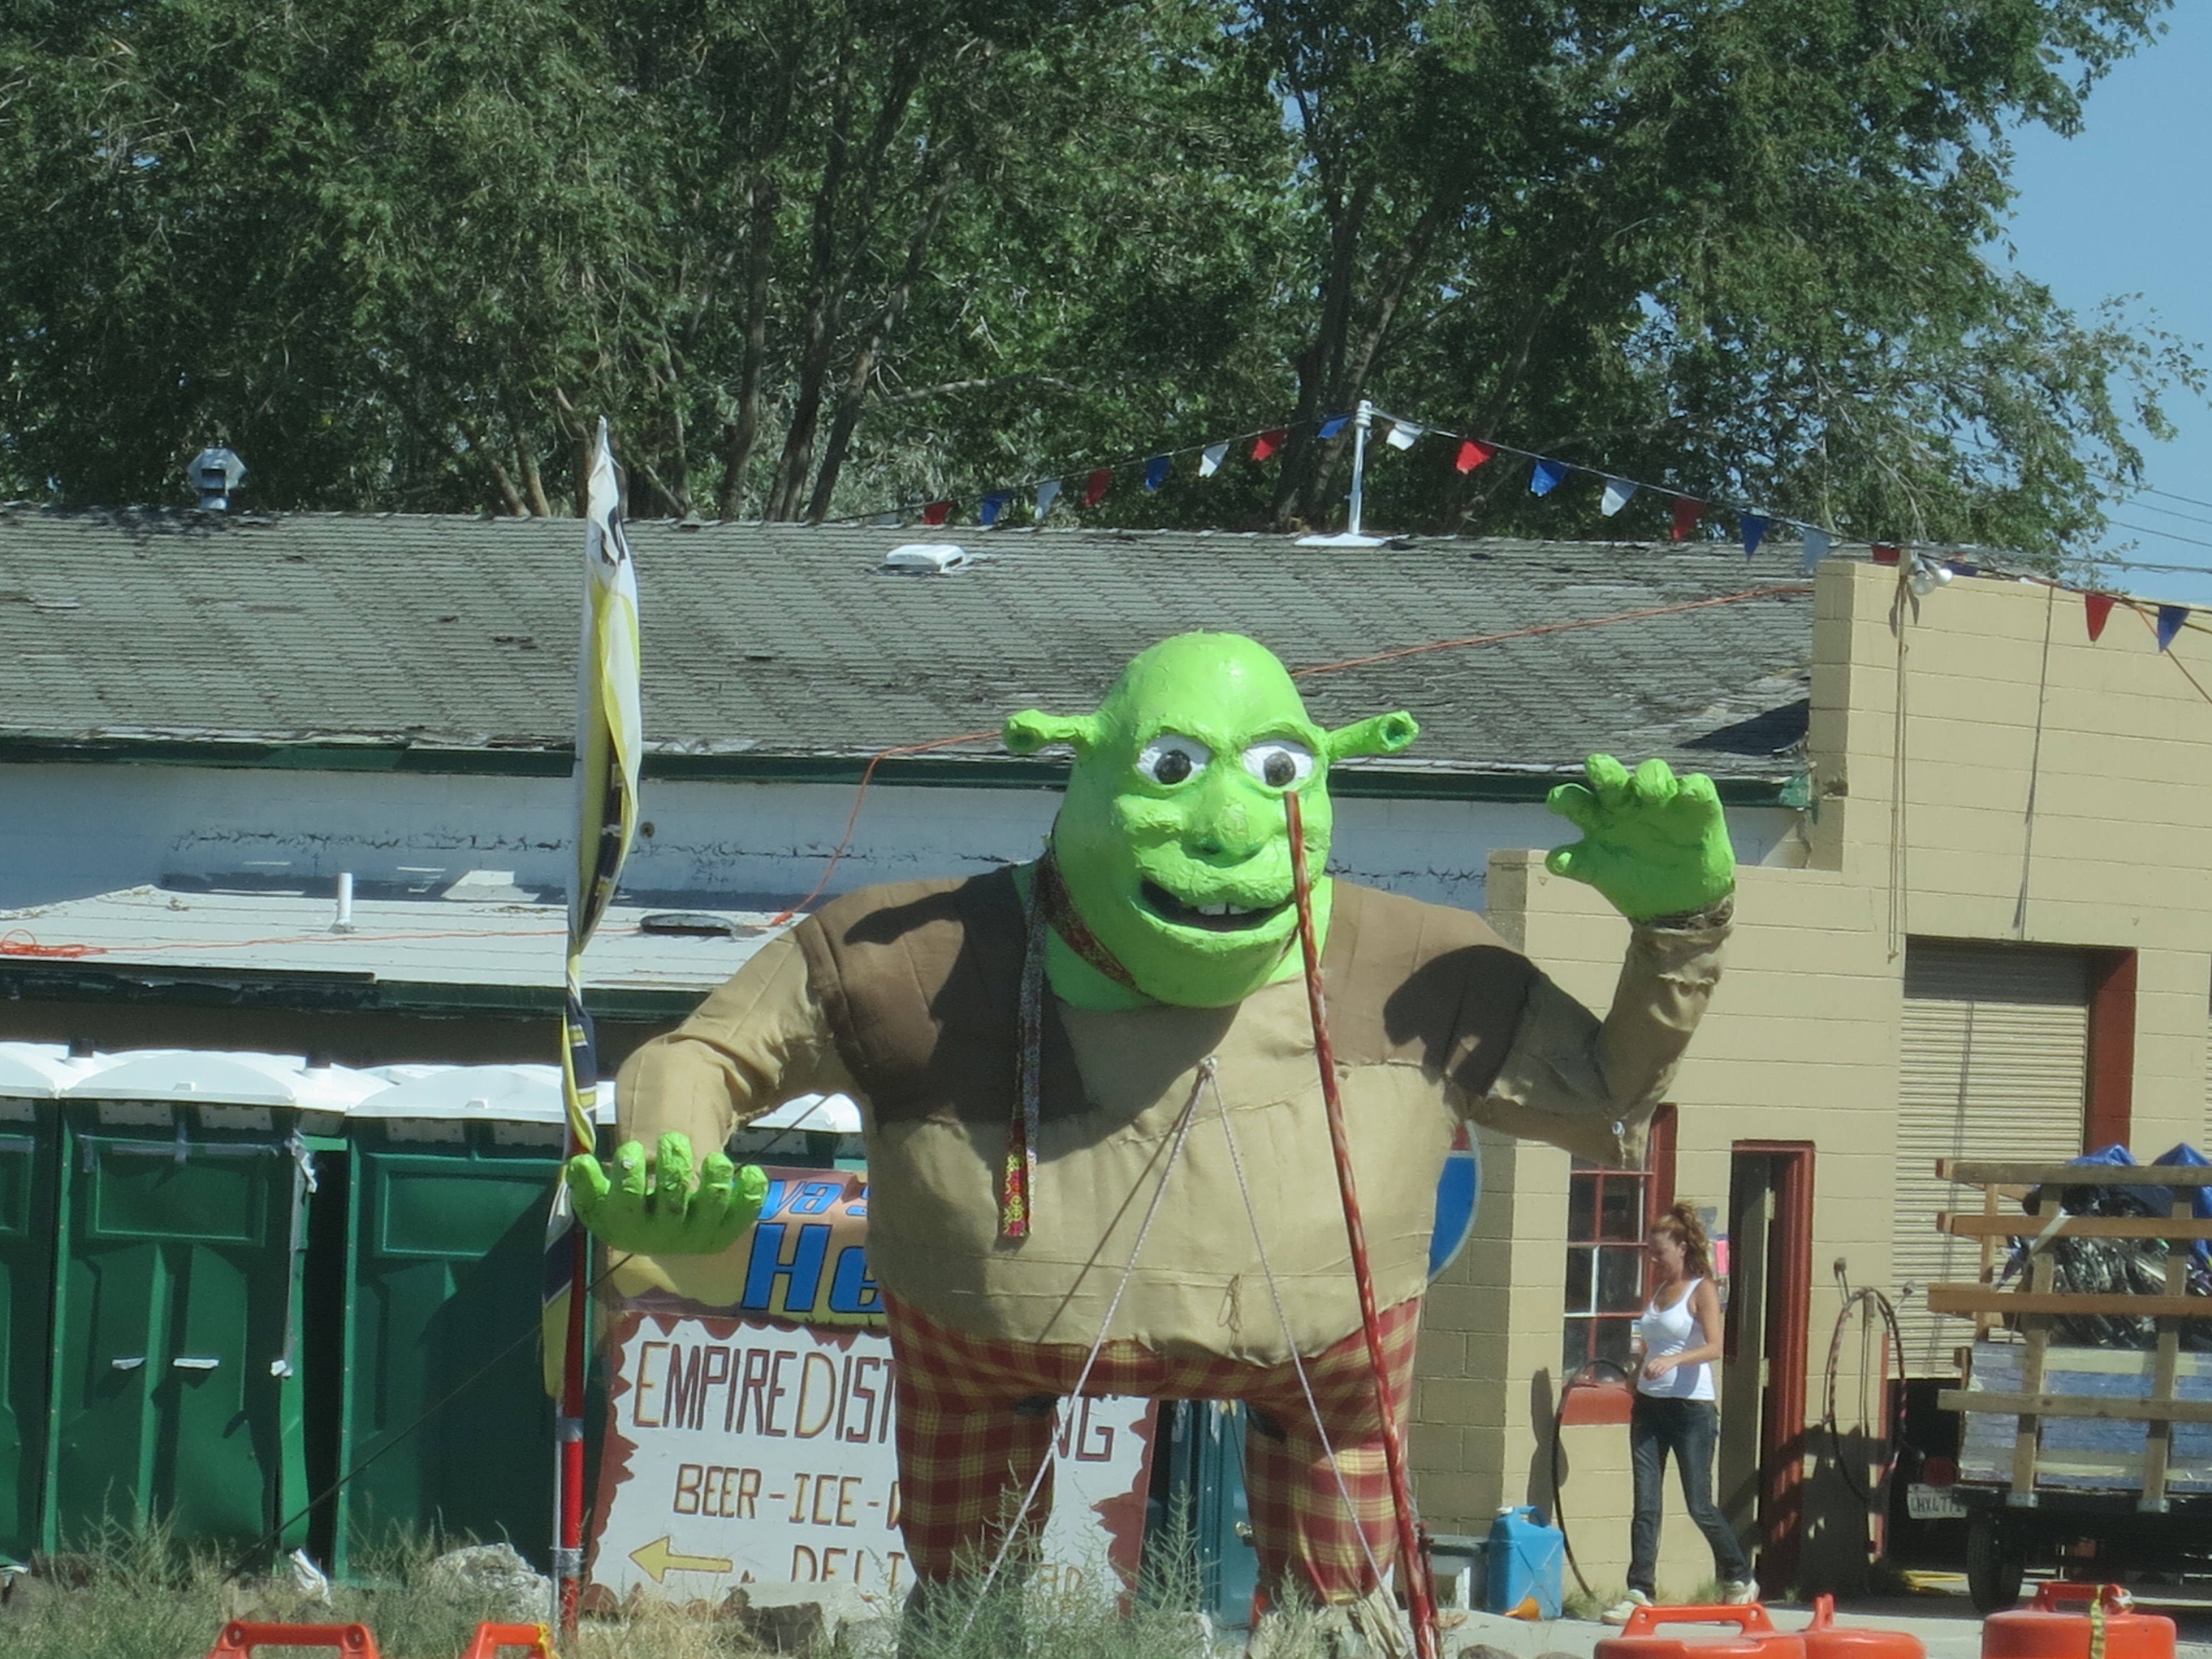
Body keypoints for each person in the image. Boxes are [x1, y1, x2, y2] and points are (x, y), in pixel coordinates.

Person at [1603, 1203, 1756, 1623]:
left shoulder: (1701, 1289)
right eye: (1650, 1253)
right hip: (1649, 1408)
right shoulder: (1657, 1294)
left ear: (1682, 1248)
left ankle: (1739, 1575)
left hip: (1691, 1411)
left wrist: (1674, 1361)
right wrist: (1635, 1374)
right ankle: (1640, 1590)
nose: (1654, 1261)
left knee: (1699, 1504)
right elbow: (1651, 1344)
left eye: (1660, 1253)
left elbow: (1715, 1347)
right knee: (1646, 1504)